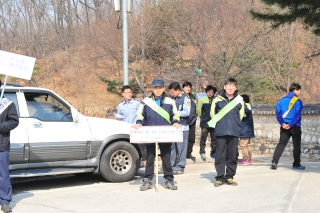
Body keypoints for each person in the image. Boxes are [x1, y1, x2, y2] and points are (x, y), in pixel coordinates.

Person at [134, 78, 180, 191]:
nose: (158, 90)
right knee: (149, 158)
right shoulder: (146, 101)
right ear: (152, 88)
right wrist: (139, 123)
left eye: (160, 88)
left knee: (166, 158)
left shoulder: (170, 101)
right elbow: (140, 115)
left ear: (164, 88)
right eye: (155, 88)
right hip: (150, 133)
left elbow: (175, 115)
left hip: (165, 134)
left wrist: (176, 123)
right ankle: (147, 180)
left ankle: (169, 179)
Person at [209, 78, 244, 187]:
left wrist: (236, 126)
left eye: (233, 85)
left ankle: (230, 176)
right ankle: (220, 177)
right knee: (220, 155)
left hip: (234, 131)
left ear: (236, 88)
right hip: (221, 131)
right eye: (228, 85)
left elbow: (241, 115)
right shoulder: (217, 99)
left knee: (232, 155)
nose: (230, 87)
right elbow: (212, 114)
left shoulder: (239, 100)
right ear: (224, 86)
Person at [272, 83, 305, 170]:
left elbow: (278, 113)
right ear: (295, 90)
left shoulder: (281, 100)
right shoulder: (298, 101)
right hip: (295, 126)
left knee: (281, 143)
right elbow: (297, 115)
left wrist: (282, 123)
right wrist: (290, 124)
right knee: (296, 145)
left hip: (284, 126)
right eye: (299, 90)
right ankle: (296, 164)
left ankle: (274, 162)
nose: (299, 92)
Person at [0, 80, 19, 213]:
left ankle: (5, 200)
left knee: (3, 175)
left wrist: (1, 126)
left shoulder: (7, 104)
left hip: (1, 145)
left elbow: (14, 121)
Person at [169, 82, 191, 174]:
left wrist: (175, 113)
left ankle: (180, 166)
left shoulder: (185, 99)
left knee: (181, 148)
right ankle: (170, 164)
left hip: (183, 127)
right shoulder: (170, 99)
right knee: (172, 147)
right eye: (170, 92)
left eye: (173, 92)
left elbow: (187, 112)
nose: (172, 93)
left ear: (178, 90)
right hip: (173, 127)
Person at [197, 85, 217, 161]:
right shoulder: (202, 100)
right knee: (203, 138)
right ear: (206, 92)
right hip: (205, 123)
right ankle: (202, 152)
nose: (210, 93)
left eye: (211, 92)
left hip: (213, 123)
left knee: (214, 138)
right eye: (208, 92)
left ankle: (213, 152)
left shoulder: (215, 100)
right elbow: (198, 111)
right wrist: (202, 117)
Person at [182, 81, 197, 161]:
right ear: (183, 88)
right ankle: (181, 154)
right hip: (183, 121)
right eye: (186, 87)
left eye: (189, 87)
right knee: (183, 138)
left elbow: (195, 107)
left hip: (192, 120)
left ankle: (188, 153)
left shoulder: (192, 97)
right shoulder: (181, 96)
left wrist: (195, 115)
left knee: (191, 138)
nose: (188, 88)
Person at [239, 94, 255, 166]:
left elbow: (241, 117)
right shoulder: (249, 106)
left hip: (244, 130)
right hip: (248, 129)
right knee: (248, 145)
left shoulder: (244, 107)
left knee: (243, 145)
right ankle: (249, 160)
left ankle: (245, 160)